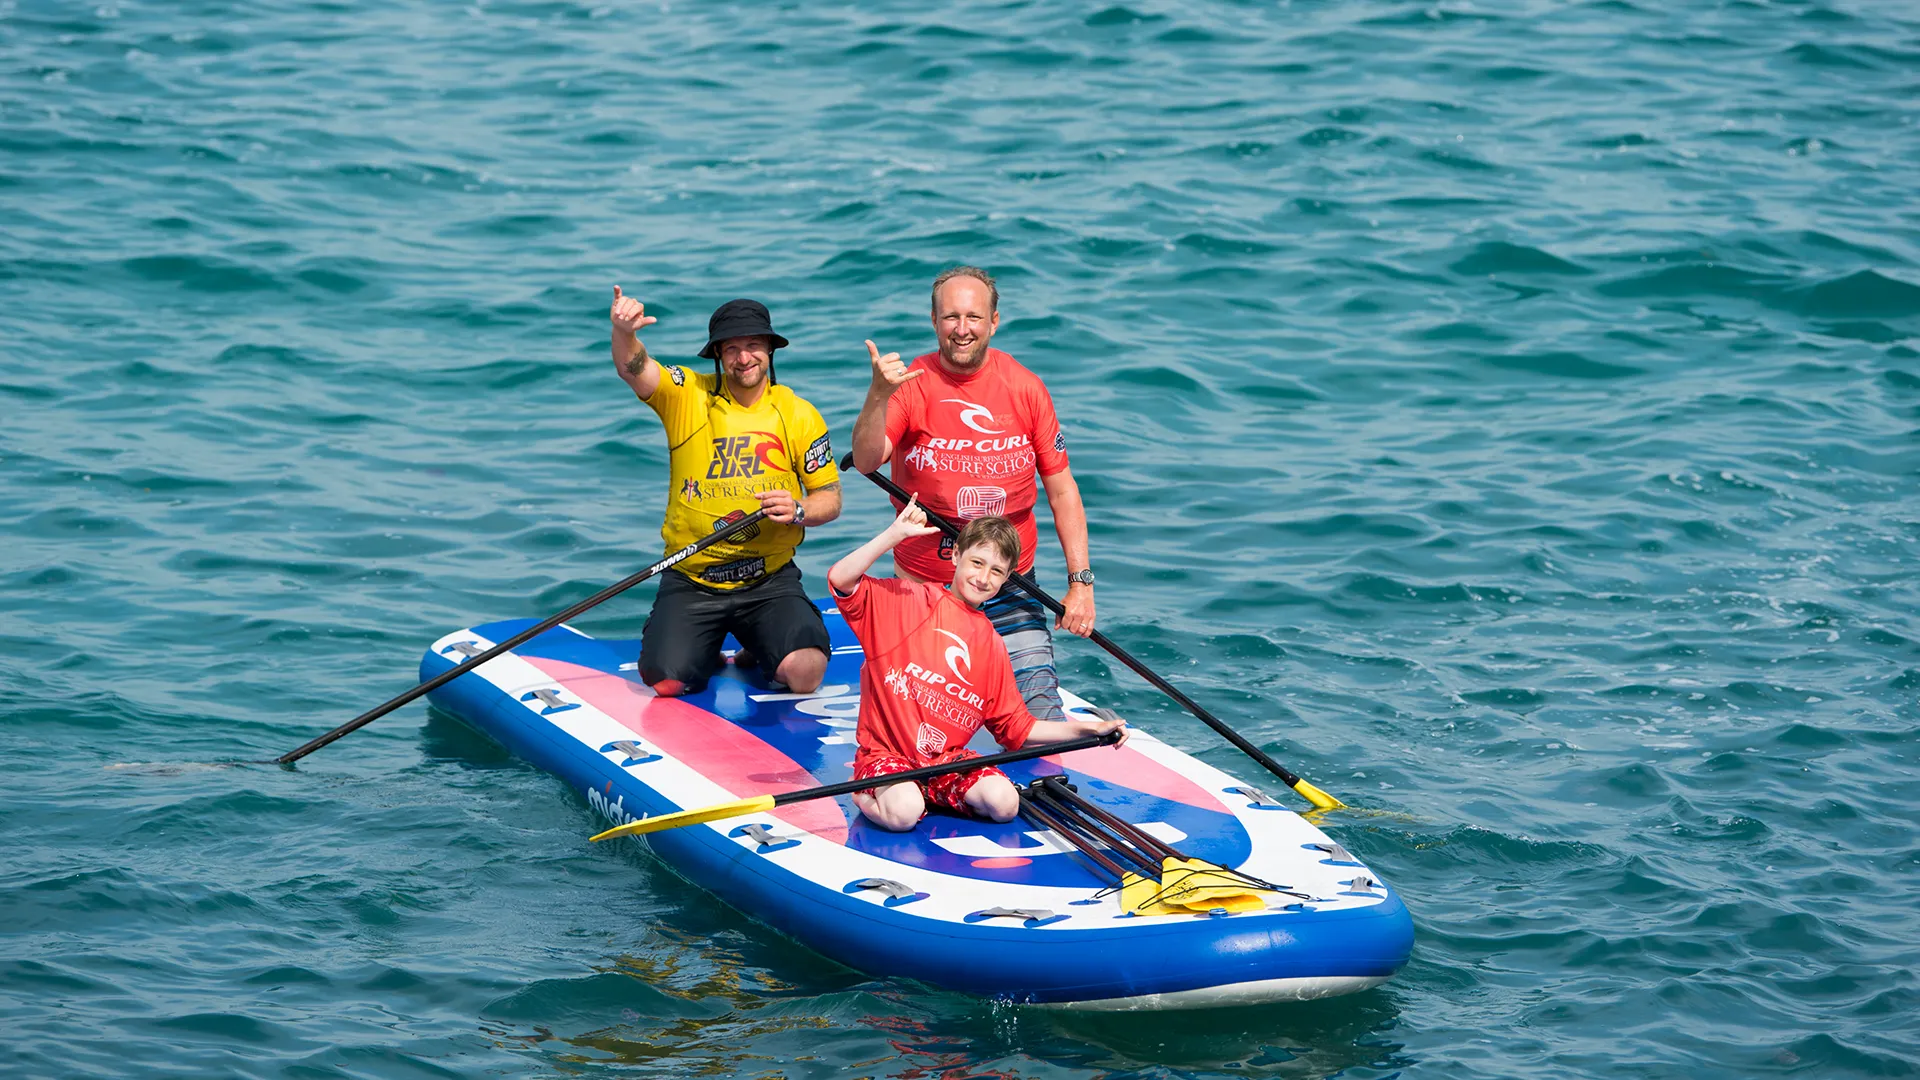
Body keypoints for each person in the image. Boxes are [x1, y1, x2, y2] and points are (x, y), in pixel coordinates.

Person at [849, 266, 1093, 726]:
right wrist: (878, 394)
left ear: (994, 322)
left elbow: (1063, 491)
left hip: (1009, 585)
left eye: (974, 317)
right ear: (934, 320)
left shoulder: (1025, 387)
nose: (962, 329)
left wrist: (1080, 584)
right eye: (951, 317)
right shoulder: (911, 384)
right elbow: (865, 461)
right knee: (914, 725)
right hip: (926, 589)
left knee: (1040, 714)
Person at [827, 497, 1126, 832]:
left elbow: (1019, 729)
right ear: (956, 555)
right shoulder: (906, 600)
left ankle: (928, 795)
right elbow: (840, 579)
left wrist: (1090, 729)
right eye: (977, 563)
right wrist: (894, 535)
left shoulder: (992, 643)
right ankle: (864, 792)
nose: (983, 578)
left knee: (1005, 803)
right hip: (887, 758)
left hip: (945, 764)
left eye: (996, 570)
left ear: (1008, 577)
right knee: (904, 812)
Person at [610, 287, 842, 696]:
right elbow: (636, 369)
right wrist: (624, 332)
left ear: (769, 349)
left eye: (753, 345)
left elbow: (830, 499)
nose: (743, 357)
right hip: (693, 579)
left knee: (806, 673)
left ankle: (760, 646)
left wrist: (799, 509)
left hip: (769, 581)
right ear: (717, 355)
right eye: (731, 348)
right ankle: (705, 649)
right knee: (666, 681)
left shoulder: (799, 413)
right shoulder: (687, 395)